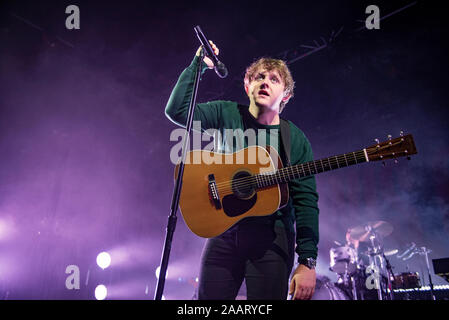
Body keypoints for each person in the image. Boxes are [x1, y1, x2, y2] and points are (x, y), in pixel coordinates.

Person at [165, 42, 319, 300]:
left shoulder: (295, 139)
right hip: (224, 232)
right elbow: (177, 111)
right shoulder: (226, 112)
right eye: (258, 77)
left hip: (271, 240)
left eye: (273, 79)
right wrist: (198, 65)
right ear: (247, 87)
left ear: (286, 95)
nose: (264, 82)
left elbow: (306, 203)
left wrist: (307, 261)